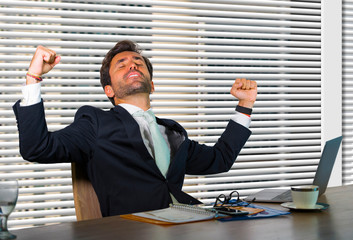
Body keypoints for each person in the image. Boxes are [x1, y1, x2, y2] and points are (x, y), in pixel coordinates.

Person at [13, 40, 257, 217]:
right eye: (122, 64)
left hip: (187, 224)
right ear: (109, 90)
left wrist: (245, 105)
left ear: (152, 85)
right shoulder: (95, 123)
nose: (132, 66)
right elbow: (37, 148)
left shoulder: (173, 132)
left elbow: (219, 160)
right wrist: (33, 77)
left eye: (138, 62)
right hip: (131, 231)